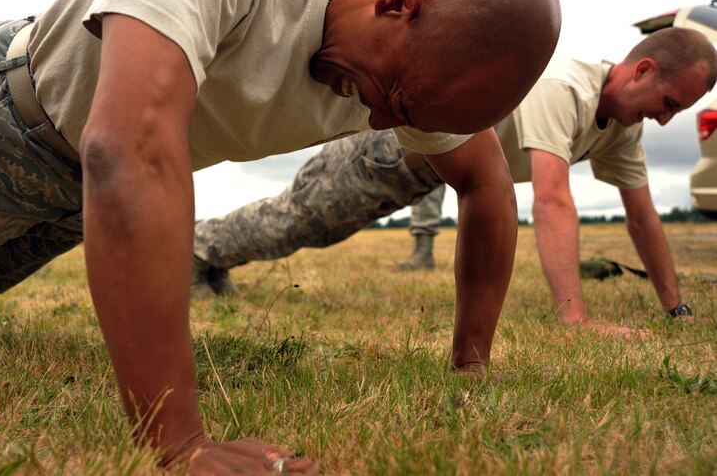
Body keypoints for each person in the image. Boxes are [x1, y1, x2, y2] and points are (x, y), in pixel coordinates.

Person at [0, 0, 562, 473]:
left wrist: (470, 360)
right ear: (396, 4)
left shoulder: (421, 69)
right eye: (396, 100)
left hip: (79, 194)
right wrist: (178, 443)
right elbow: (128, 147)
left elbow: (485, 186)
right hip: (5, 124)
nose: (381, 121)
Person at [193, 27, 717, 336]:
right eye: (669, 104)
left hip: (457, 167)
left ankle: (209, 261)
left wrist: (677, 309)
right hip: (401, 148)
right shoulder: (566, 89)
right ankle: (197, 251)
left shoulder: (621, 126)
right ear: (642, 70)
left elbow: (643, 217)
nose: (666, 120)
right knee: (302, 220)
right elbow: (552, 200)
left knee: (308, 226)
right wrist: (575, 321)